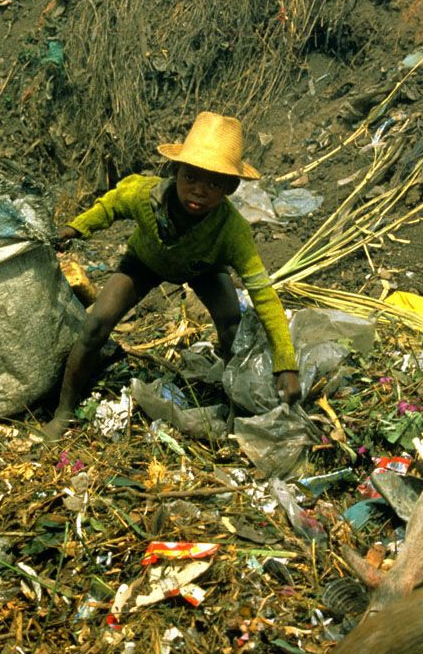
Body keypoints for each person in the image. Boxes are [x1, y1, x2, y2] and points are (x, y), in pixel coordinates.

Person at [44, 112, 300, 439]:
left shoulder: (232, 230)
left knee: (233, 328)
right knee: (95, 325)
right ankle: (64, 412)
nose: (199, 191)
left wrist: (286, 363)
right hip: (144, 262)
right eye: (191, 177)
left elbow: (263, 294)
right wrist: (75, 228)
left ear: (229, 189)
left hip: (205, 269)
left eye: (213, 184)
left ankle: (234, 407)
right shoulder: (143, 194)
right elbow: (109, 206)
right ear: (175, 171)